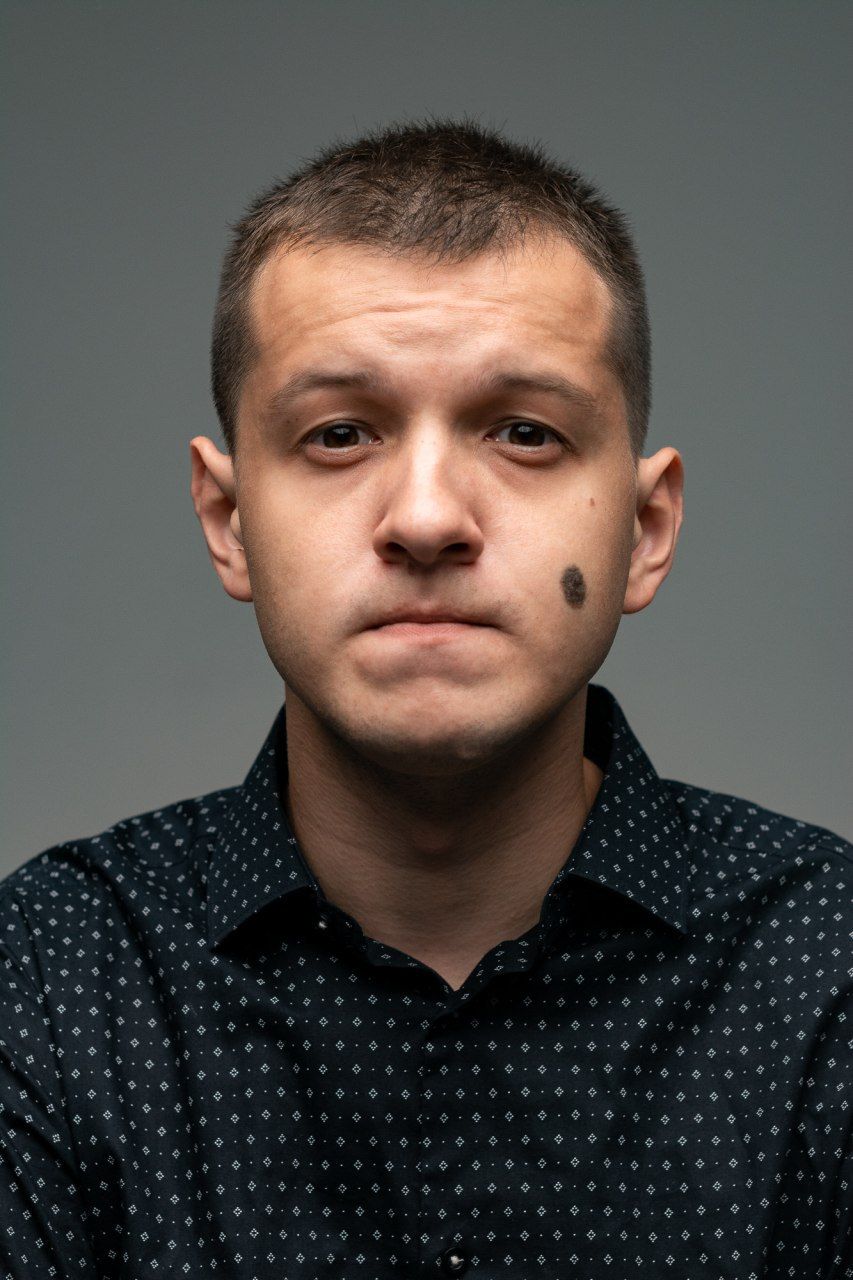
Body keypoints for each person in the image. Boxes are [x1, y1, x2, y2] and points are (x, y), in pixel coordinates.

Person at [1, 118, 850, 1280]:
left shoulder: (827, 965)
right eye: (339, 433)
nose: (427, 518)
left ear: (645, 529)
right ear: (228, 519)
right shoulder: (49, 975)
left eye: (524, 431)